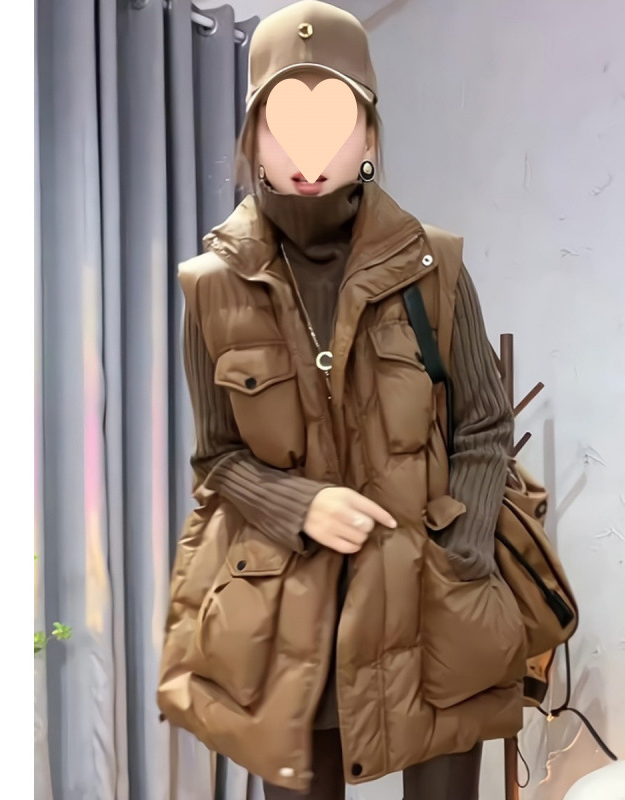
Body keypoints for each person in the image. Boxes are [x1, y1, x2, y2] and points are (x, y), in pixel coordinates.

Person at [157, 3, 527, 799]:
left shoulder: (434, 266)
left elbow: (484, 425)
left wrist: (457, 556)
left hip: (431, 606)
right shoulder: (212, 289)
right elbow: (217, 458)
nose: (309, 152)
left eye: (334, 121)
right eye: (284, 123)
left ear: (369, 138)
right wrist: (301, 504)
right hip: (290, 621)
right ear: (252, 138)